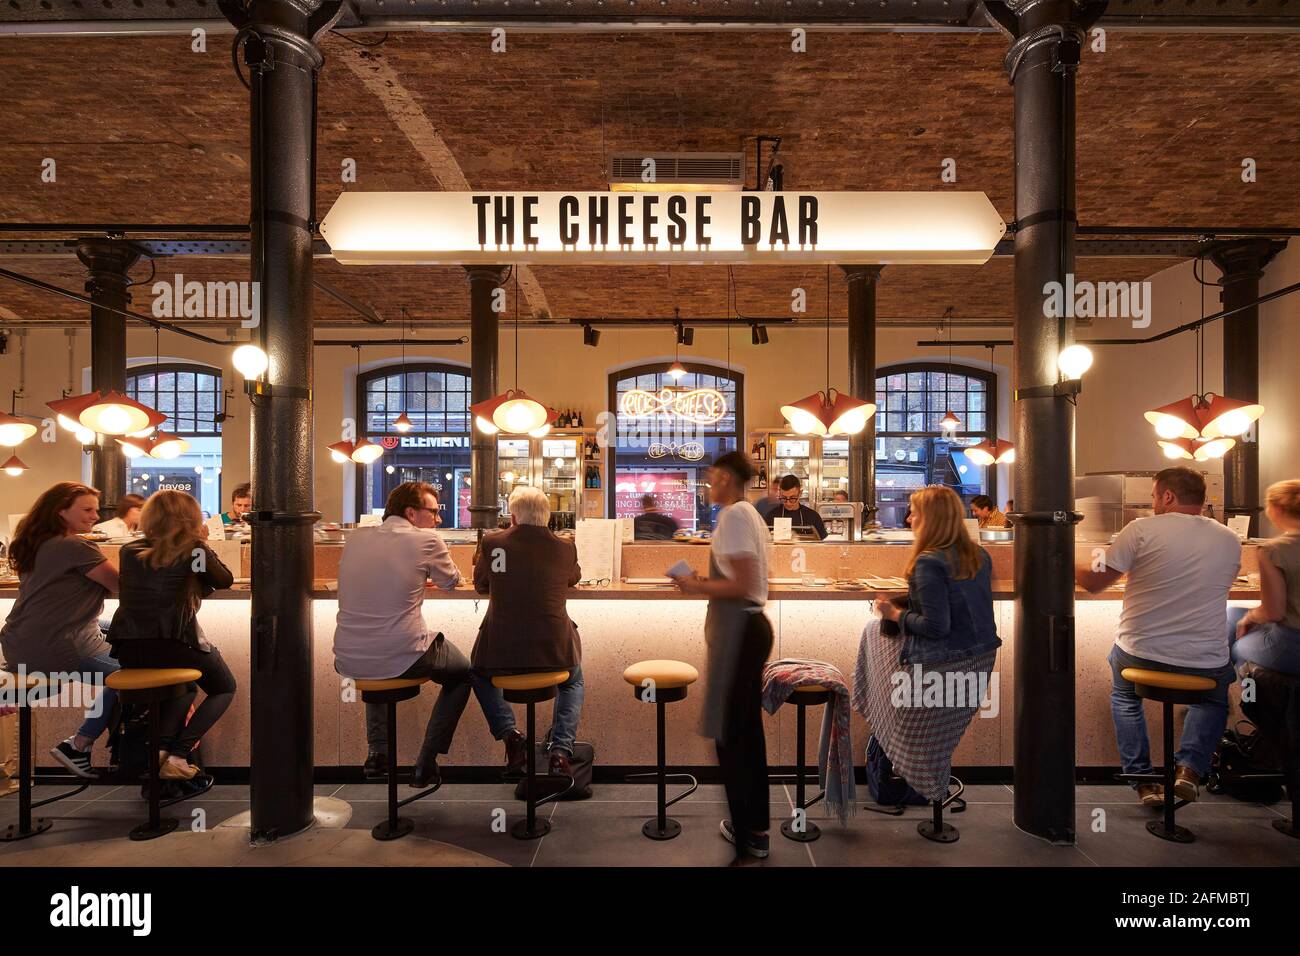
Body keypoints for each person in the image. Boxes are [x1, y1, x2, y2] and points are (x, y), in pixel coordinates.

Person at [333, 482, 519, 786]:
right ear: (410, 512)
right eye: (433, 511)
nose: (438, 519)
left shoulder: (356, 538)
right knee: (463, 672)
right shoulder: (427, 540)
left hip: (348, 659)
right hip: (404, 654)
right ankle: (426, 761)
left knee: (378, 657)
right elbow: (450, 581)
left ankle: (377, 753)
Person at [1076, 467, 1241, 806]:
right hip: (1204, 661)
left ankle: (1142, 781)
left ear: (1167, 496)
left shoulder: (1140, 529)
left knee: (1124, 693)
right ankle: (1189, 771)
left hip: (1140, 654)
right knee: (1215, 696)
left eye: (1154, 496)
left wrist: (1069, 552)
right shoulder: (1229, 538)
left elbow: (1094, 583)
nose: (1152, 502)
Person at [672, 451, 773, 862]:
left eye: (712, 477)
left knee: (730, 735)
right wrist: (705, 581)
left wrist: (694, 586)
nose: (708, 484)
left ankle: (748, 833)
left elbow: (743, 584)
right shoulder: (748, 513)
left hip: (739, 632)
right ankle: (756, 828)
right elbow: (745, 580)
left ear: (728, 477)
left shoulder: (732, 515)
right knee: (745, 732)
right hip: (750, 629)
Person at [106, 491, 236, 780]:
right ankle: (177, 753)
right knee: (224, 687)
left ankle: (160, 752)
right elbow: (223, 580)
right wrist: (201, 542)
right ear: (190, 518)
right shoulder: (193, 550)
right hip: (174, 643)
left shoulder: (129, 551)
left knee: (186, 686)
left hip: (128, 647)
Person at [0, 482, 120, 778]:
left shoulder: (34, 542)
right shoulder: (76, 546)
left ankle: (11, 699)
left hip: (18, 643)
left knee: (107, 629)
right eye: (87, 510)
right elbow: (122, 586)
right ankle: (78, 744)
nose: (95, 516)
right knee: (134, 673)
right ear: (60, 511)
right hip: (59, 646)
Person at [470, 485, 584, 777]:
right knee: (572, 681)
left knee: (476, 673)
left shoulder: (493, 542)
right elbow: (572, 578)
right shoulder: (565, 545)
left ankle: (511, 735)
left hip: (500, 654)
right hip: (554, 651)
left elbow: (481, 584)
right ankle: (560, 751)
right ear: (547, 516)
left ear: (513, 516)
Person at [874, 486, 1001, 663]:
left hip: (947, 661)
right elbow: (958, 600)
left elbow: (935, 627)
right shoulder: (980, 554)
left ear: (929, 520)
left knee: (872, 635)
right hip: (984, 655)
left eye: (913, 514)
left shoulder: (929, 562)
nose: (909, 520)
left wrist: (894, 613)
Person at [1229, 479, 1300, 676]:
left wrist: (1248, 619)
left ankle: (1251, 702)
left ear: (1277, 509)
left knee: (1240, 648)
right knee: (1235, 611)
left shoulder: (1275, 549)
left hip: (1293, 643)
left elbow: (1273, 612)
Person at [763, 475, 827, 540]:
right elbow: (765, 542)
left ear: (800, 493)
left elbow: (821, 544)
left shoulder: (813, 516)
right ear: (780, 493)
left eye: (792, 498)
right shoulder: (771, 516)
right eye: (784, 498)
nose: (788, 503)